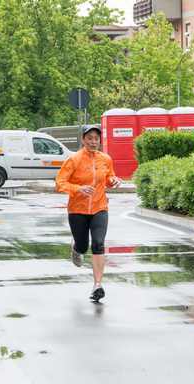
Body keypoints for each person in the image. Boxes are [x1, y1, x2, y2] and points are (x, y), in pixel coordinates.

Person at [55, 125, 122, 302]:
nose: (94, 141)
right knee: (83, 246)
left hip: (100, 208)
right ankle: (76, 247)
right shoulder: (74, 160)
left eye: (96, 138)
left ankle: (97, 285)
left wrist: (113, 181)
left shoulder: (106, 159)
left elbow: (108, 178)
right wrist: (78, 189)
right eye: (90, 138)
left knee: (98, 244)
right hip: (78, 210)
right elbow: (60, 183)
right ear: (83, 140)